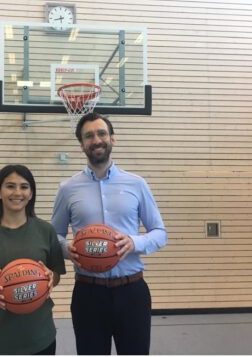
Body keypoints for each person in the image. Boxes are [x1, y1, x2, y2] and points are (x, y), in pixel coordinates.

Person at [51, 112, 167, 355]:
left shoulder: (136, 184)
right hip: (88, 293)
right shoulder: (67, 188)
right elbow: (55, 236)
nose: (96, 140)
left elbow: (160, 233)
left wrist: (133, 242)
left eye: (101, 133)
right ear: (82, 144)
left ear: (112, 139)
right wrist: (67, 250)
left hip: (132, 291)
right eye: (89, 136)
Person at [0, 164, 66, 355]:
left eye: (24, 187)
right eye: (10, 186)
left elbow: (55, 275)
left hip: (39, 338)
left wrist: (51, 277)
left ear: (31, 194)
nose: (18, 192)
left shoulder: (45, 231)